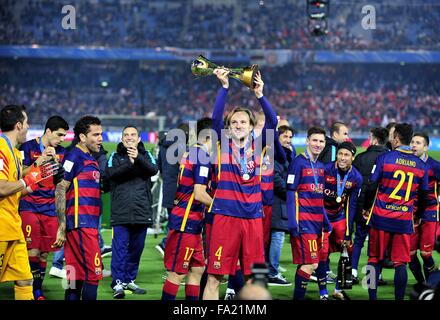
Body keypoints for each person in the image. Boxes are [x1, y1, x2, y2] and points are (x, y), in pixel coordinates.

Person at [202, 68, 278, 300]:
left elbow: (273, 121)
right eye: (234, 121)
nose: (238, 125)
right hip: (225, 217)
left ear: (250, 125)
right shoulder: (221, 144)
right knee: (215, 277)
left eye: (243, 121)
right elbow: (215, 119)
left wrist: (260, 95)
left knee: (253, 277)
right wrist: (224, 88)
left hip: (253, 218)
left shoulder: (260, 144)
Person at [363, 123, 429, 300]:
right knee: (401, 263)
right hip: (403, 219)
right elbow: (424, 196)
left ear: (397, 138)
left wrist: (366, 207)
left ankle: (372, 298)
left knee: (373, 260)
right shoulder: (420, 166)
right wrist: (418, 215)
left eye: (392, 136)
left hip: (380, 217)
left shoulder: (385, 158)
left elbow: (371, 186)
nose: (390, 139)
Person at [0, 105, 58, 300]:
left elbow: (16, 190)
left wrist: (35, 180)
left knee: (25, 280)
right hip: (2, 229)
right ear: (18, 125)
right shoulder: (1, 148)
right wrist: (28, 180)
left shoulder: (14, 153)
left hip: (13, 228)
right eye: (26, 123)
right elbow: (1, 188)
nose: (28, 127)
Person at [52, 115, 104, 300]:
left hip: (85, 223)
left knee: (75, 277)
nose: (100, 138)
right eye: (96, 134)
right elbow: (60, 187)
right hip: (81, 224)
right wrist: (61, 225)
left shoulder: (90, 157)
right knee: (94, 274)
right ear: (82, 137)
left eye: (101, 134)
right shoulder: (74, 156)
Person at [161, 117, 213, 300]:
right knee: (177, 273)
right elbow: (199, 194)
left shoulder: (191, 153)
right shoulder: (202, 156)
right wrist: (221, 206)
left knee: (198, 269)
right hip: (186, 222)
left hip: (192, 221)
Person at [18, 115, 69, 299]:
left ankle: (37, 288)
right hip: (29, 205)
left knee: (44, 254)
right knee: (33, 250)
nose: (62, 139)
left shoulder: (63, 152)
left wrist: (56, 163)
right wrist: (39, 162)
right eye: (59, 135)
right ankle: (31, 290)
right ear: (48, 131)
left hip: (49, 208)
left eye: (64, 136)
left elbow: (62, 181)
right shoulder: (28, 147)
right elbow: (20, 175)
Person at [106, 125, 158, 299]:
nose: (129, 137)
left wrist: (138, 159)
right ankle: (118, 282)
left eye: (133, 135)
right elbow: (113, 174)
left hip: (142, 211)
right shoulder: (114, 155)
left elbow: (153, 169)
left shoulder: (146, 154)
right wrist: (131, 163)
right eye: (126, 135)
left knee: (137, 249)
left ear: (139, 139)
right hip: (120, 212)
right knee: (119, 249)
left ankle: (129, 279)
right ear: (121, 139)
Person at [286, 126, 328, 300]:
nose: (318, 144)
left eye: (321, 141)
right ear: (307, 141)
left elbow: (319, 197)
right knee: (311, 264)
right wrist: (292, 222)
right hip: (303, 222)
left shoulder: (321, 166)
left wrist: (326, 221)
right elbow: (290, 192)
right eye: (315, 140)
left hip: (317, 223)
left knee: (306, 263)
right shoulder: (298, 163)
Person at [317, 141, 363, 300]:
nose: (342, 158)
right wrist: (324, 221)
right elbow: (317, 199)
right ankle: (323, 292)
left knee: (348, 249)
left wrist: (349, 232)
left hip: (339, 218)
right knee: (322, 254)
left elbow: (352, 206)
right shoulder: (325, 169)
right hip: (322, 217)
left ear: (353, 157)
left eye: (346, 155)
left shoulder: (356, 177)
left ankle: (338, 289)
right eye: (340, 154)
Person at [351, 127, 389, 284]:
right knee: (376, 243)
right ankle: (373, 277)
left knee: (358, 239)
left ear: (373, 138)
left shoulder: (360, 158)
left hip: (361, 206)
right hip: (381, 208)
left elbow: (354, 183)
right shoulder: (389, 158)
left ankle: (351, 273)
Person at [408, 133, 440, 284]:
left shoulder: (434, 166)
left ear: (426, 147)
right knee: (410, 253)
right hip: (411, 213)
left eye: (418, 143)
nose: (413, 145)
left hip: (429, 212)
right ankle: (422, 285)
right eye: (412, 142)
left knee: (426, 253)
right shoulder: (407, 164)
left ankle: (432, 285)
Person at [156, 123, 189, 257]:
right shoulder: (182, 148)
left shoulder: (163, 147)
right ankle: (166, 244)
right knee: (180, 224)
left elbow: (160, 168)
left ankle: (169, 249)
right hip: (181, 191)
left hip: (168, 190)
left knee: (173, 221)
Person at [268, 125, 295, 286]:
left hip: (281, 202)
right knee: (277, 236)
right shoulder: (277, 155)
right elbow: (276, 179)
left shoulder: (287, 154)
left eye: (290, 137)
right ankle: (272, 272)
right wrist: (292, 192)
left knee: (275, 237)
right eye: (285, 136)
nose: (288, 140)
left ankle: (270, 271)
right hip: (277, 201)